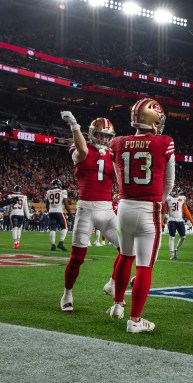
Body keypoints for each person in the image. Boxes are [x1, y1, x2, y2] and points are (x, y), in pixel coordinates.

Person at [107, 97, 175, 333]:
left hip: (124, 206)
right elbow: (169, 182)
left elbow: (117, 174)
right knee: (144, 266)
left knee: (126, 256)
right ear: (153, 119)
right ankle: (135, 321)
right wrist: (160, 198)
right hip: (149, 209)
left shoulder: (117, 142)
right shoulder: (164, 142)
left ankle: (117, 304)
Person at [58, 112, 122, 313]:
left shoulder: (113, 156)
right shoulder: (81, 151)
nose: (104, 139)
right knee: (77, 257)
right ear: (92, 134)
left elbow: (121, 182)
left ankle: (112, 284)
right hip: (86, 209)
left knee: (129, 249)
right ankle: (67, 294)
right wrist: (74, 125)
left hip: (106, 209)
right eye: (101, 135)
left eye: (107, 136)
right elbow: (83, 149)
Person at [163, 186, 193, 260]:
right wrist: (162, 221)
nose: (175, 193)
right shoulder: (168, 198)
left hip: (180, 220)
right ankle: (172, 254)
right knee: (172, 237)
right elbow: (164, 210)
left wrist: (192, 221)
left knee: (183, 237)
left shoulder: (182, 198)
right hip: (171, 220)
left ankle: (176, 249)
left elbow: (186, 211)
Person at [45, 178, 72, 252]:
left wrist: (48, 212)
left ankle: (53, 245)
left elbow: (47, 204)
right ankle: (61, 242)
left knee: (52, 228)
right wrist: (70, 213)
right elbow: (66, 204)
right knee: (65, 227)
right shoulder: (63, 191)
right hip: (59, 211)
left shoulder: (48, 192)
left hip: (51, 212)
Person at [7, 185, 30, 249]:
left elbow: (8, 206)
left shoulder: (10, 196)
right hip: (21, 214)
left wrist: (7, 213)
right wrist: (28, 217)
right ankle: (18, 242)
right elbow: (26, 208)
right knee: (19, 228)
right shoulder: (24, 197)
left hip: (14, 213)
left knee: (14, 228)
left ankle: (15, 243)